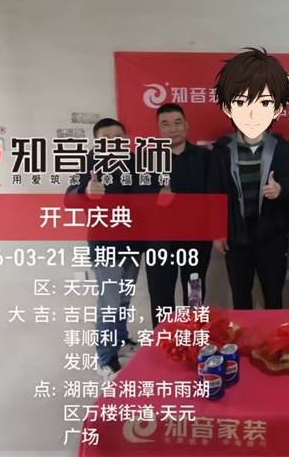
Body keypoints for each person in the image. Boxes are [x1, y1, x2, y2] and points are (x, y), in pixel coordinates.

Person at [208, 48, 289, 309]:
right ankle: (243, 337)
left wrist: (280, 188)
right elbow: (214, 193)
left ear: (276, 108)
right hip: (237, 236)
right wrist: (217, 232)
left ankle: (273, 336)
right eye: (242, 102)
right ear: (229, 107)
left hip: (272, 235)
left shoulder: (280, 146)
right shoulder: (222, 149)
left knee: (274, 296)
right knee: (240, 297)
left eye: (263, 103)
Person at [65, 118, 142, 380]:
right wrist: (86, 192)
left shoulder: (134, 162)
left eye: (118, 138)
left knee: (124, 299)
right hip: (105, 245)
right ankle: (105, 359)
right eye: (106, 139)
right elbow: (68, 198)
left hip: (133, 244)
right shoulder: (88, 163)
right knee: (109, 303)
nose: (113, 143)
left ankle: (121, 340)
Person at [147, 103, 212, 326]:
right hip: (159, 242)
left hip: (196, 239)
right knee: (161, 297)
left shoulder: (205, 157)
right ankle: (163, 342)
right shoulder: (146, 160)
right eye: (165, 124)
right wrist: (155, 197)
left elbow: (214, 195)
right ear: (158, 128)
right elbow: (135, 200)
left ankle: (193, 339)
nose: (172, 129)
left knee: (195, 295)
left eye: (177, 122)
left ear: (186, 125)